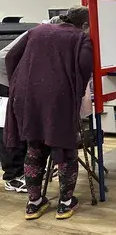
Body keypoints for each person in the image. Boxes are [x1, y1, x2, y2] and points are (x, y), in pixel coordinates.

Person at [3, 7, 92, 220]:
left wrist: (19, 82)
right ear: (86, 25)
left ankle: (34, 204)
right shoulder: (81, 37)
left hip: (25, 94)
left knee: (34, 147)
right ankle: (65, 203)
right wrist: (76, 95)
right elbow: (84, 67)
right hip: (58, 97)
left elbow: (10, 56)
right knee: (64, 148)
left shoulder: (37, 30)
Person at [0, 15, 63, 193]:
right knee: (7, 128)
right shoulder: (39, 33)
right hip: (3, 77)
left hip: (13, 78)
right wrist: (17, 85)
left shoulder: (48, 33)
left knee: (21, 126)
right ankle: (13, 176)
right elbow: (8, 58)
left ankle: (28, 169)